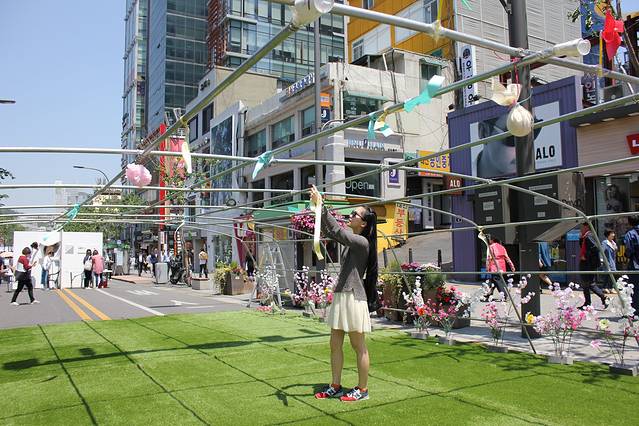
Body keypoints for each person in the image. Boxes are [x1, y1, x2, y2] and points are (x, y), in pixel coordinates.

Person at [310, 185, 377, 403]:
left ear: (364, 223)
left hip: (353, 297)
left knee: (359, 346)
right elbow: (332, 232)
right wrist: (319, 208)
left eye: (355, 214)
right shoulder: (352, 239)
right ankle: (336, 385)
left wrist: (322, 205)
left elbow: (337, 232)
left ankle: (363, 389)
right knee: (334, 344)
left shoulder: (362, 242)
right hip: (342, 295)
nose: (351, 215)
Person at [579, 223, 608, 309]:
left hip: (588, 263)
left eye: (582, 226)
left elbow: (595, 248)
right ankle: (587, 303)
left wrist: (585, 256)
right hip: (586, 263)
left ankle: (603, 297)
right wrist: (581, 238)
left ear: (587, 227)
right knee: (586, 283)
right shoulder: (585, 236)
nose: (581, 228)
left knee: (589, 283)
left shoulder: (589, 236)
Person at [623, 215, 639, 314]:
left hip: (635, 264)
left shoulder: (630, 234)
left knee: (634, 287)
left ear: (629, 223)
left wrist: (627, 255)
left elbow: (628, 250)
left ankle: (635, 309)